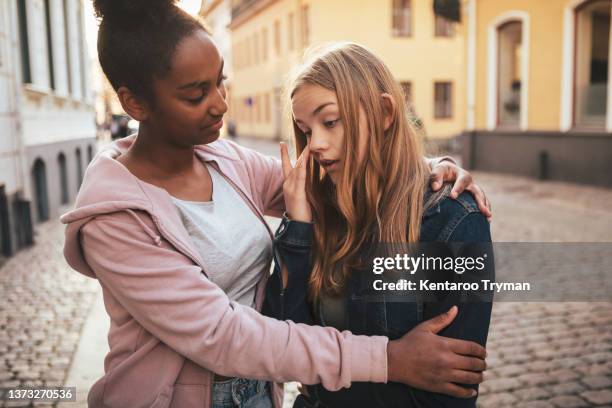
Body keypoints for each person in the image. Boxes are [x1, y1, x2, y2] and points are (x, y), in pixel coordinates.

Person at [61, 2, 491, 407]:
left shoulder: (227, 162)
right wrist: (389, 359)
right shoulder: (114, 219)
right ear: (134, 102)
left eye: (220, 81)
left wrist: (433, 168)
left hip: (261, 393)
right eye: (196, 94)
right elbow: (226, 337)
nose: (221, 104)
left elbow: (337, 172)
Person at [263, 42, 494, 407]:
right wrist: (299, 227)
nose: (316, 144)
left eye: (330, 122)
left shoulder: (453, 218)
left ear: (385, 112)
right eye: (305, 130)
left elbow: (452, 385)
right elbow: (283, 341)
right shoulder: (318, 214)